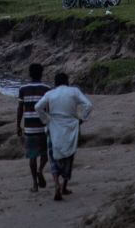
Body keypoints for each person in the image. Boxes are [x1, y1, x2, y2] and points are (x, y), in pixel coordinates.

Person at [34, 72, 92, 201]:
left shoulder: (50, 94)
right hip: (70, 126)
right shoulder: (74, 91)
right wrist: (82, 118)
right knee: (69, 157)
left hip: (54, 127)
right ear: (67, 81)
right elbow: (88, 105)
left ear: (55, 82)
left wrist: (47, 119)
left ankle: (56, 185)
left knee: (53, 156)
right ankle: (64, 186)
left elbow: (38, 107)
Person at [17, 63, 51, 193]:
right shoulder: (46, 88)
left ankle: (35, 185)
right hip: (43, 126)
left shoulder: (23, 88)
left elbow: (20, 109)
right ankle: (40, 170)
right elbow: (48, 109)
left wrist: (18, 125)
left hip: (29, 128)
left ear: (30, 74)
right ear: (41, 73)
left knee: (32, 156)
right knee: (44, 154)